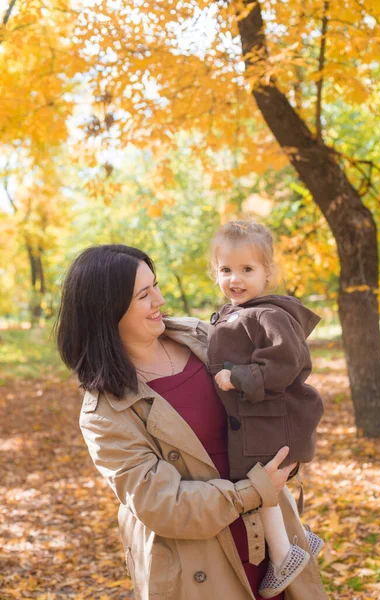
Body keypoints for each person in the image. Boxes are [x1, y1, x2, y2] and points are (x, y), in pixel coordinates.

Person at [56, 244, 328, 600]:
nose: (161, 300)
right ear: (107, 310)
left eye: (155, 286)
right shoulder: (105, 412)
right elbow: (161, 504)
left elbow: (270, 391)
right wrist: (252, 490)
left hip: (276, 542)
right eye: (144, 295)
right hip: (198, 564)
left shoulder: (203, 336)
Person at [207, 220, 325, 598]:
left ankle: (283, 554)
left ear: (267, 273)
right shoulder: (235, 313)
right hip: (259, 419)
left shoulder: (267, 315)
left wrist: (236, 377)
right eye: (226, 270)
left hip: (269, 419)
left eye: (247, 270)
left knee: (261, 486)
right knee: (270, 482)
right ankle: (299, 536)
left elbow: (284, 364)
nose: (235, 279)